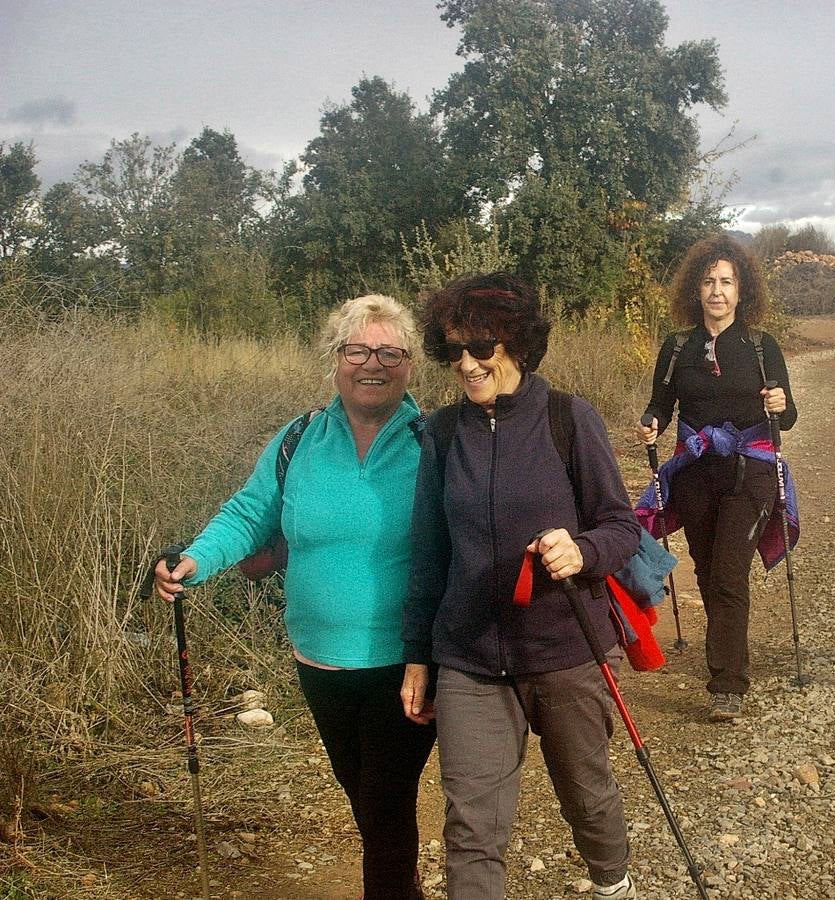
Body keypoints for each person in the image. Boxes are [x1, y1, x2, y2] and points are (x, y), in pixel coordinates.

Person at [154, 295, 434, 899]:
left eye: (390, 351)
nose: (372, 364)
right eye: (356, 349)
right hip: (318, 659)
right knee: (363, 795)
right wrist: (198, 560)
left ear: (410, 364)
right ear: (334, 359)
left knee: (386, 804)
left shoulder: (433, 442)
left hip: (406, 663)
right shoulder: (298, 439)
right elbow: (250, 514)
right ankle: (401, 881)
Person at [400, 272, 642, 900]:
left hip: (565, 653)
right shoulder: (443, 433)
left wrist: (580, 549)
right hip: (469, 660)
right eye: (452, 350)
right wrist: (417, 658)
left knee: (588, 801)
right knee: (472, 831)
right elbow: (427, 556)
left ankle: (613, 882)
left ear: (515, 342)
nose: (465, 364)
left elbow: (622, 528)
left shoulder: (568, 419)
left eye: (479, 347)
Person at [636, 233, 797, 723]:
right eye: (708, 282)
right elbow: (660, 403)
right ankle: (726, 650)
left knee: (729, 572)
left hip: (752, 471)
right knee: (706, 571)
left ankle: (727, 680)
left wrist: (780, 404)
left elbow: (786, 418)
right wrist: (651, 422)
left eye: (726, 282)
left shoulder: (761, 346)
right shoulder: (678, 345)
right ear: (696, 289)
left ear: (741, 290)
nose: (717, 291)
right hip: (694, 471)